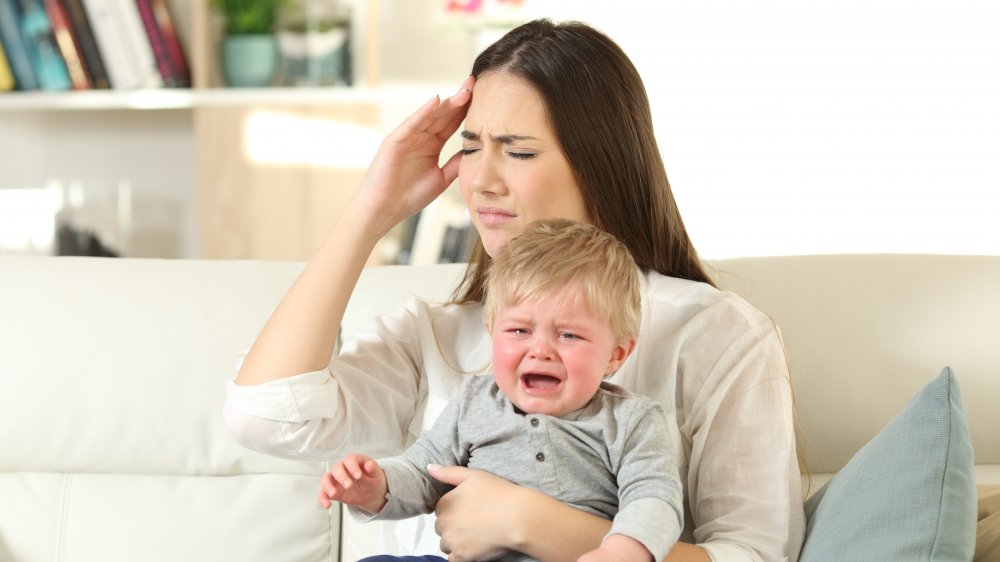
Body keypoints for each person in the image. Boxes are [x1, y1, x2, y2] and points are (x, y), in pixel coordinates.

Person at [224, 18, 805, 562]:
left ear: (599, 165)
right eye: (470, 146)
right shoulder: (434, 333)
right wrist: (371, 211)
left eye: (518, 151)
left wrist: (536, 524)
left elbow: (755, 553)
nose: (480, 179)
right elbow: (266, 419)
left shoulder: (713, 333)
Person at [317, 219, 684, 562]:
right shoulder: (475, 400)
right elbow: (424, 470)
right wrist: (376, 485)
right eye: (520, 331)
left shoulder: (631, 420)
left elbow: (654, 498)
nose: (540, 350)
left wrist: (623, 550)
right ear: (493, 332)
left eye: (568, 335)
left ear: (616, 354)